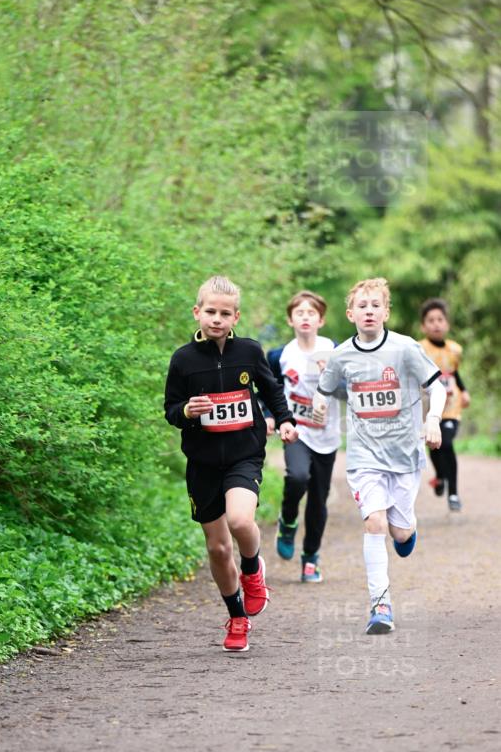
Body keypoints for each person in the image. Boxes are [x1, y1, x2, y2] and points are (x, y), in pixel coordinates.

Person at [164, 275, 298, 653]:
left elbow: (271, 389)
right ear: (197, 312)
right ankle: (237, 616)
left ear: (235, 317)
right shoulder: (183, 360)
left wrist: (285, 420)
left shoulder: (250, 353)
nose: (217, 319)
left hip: (243, 453)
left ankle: (253, 569)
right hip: (203, 462)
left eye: (225, 313)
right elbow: (171, 409)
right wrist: (188, 410)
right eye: (210, 312)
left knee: (240, 521)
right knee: (219, 549)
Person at [312, 277, 446, 635]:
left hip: (404, 455)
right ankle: (380, 603)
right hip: (364, 456)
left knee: (400, 533)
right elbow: (324, 391)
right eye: (362, 305)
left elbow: (438, 385)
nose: (369, 311)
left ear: (386, 312)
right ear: (350, 313)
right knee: (375, 523)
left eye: (375, 305)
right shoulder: (341, 355)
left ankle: (406, 532)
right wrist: (319, 406)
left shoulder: (405, 349)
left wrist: (432, 418)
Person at [265, 290, 342, 583]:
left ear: (321, 320)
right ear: (290, 320)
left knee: (318, 499)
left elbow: (350, 390)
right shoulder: (280, 355)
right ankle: (287, 520)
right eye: (300, 313)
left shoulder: (333, 350)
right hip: (296, 429)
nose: (305, 317)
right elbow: (268, 390)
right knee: (297, 477)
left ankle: (311, 557)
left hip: (327, 433)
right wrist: (271, 415)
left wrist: (332, 375)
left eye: (311, 313)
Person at [419, 298, 471, 511]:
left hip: (451, 407)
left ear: (447, 324)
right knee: (434, 445)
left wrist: (464, 391)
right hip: (429, 408)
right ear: (423, 326)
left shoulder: (455, 350)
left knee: (447, 444)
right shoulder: (419, 349)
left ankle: (454, 493)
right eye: (431, 320)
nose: (436, 324)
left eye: (440, 319)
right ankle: (440, 476)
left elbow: (454, 372)